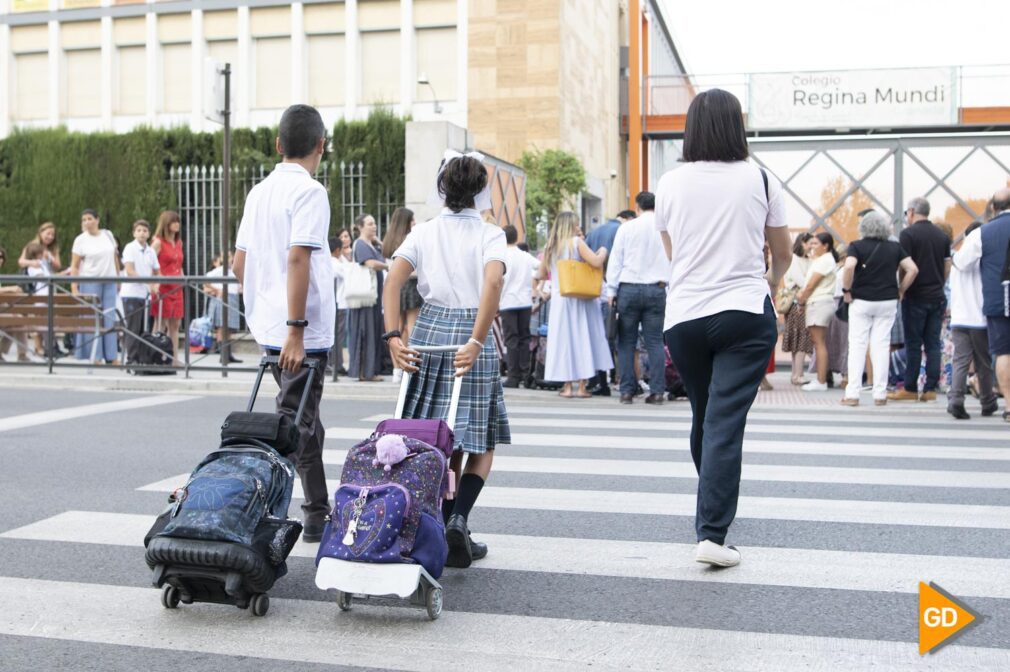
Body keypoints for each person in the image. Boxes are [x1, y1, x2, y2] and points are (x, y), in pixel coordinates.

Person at [654, 88, 791, 568]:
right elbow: (784, 252)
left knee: (705, 413)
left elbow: (674, 252)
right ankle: (712, 531)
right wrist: (767, 281)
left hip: (685, 316)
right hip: (744, 313)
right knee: (724, 421)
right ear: (737, 126)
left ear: (692, 127)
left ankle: (712, 503)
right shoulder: (761, 178)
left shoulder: (669, 183)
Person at [383, 150, 509, 568]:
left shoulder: (425, 231)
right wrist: (476, 338)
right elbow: (493, 280)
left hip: (430, 329)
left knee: (439, 431)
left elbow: (393, 278)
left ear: (442, 188)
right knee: (481, 438)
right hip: (472, 330)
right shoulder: (490, 234)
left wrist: (393, 335)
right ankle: (459, 519)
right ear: (480, 191)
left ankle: (440, 522)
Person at [233, 103, 335, 543]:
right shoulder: (310, 192)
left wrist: (269, 308)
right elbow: (298, 257)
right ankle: (253, 512)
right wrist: (295, 327)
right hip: (301, 333)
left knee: (303, 421)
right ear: (321, 146)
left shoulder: (259, 193)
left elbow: (241, 263)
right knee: (292, 428)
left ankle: (316, 511)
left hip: (271, 328)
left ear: (277, 145)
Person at [839, 211, 918, 406]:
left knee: (857, 345)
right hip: (888, 300)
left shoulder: (856, 246)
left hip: (861, 301)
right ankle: (880, 394)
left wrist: (846, 289)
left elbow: (849, 267)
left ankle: (853, 394)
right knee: (881, 345)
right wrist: (901, 289)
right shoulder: (895, 247)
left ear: (863, 228)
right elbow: (913, 269)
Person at [536, 211, 612, 398]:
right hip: (580, 297)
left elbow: (541, 273)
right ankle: (582, 387)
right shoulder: (576, 243)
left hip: (560, 299)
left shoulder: (550, 246)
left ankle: (567, 386)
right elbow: (595, 262)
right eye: (576, 224)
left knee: (564, 342)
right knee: (582, 338)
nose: (579, 226)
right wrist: (603, 251)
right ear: (570, 225)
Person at [606, 191, 669, 405]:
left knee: (626, 343)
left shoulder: (627, 227)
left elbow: (616, 260)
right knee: (655, 342)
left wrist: (611, 291)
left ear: (637, 207)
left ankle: (626, 391)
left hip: (629, 289)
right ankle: (658, 391)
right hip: (657, 289)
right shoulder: (665, 228)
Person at [952, 188, 1010, 421]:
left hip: (999, 299)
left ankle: (1008, 406)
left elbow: (962, 263)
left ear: (993, 208)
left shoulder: (981, 233)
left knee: (1003, 353)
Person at [890, 197, 951, 402]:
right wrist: (940, 283)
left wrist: (902, 288)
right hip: (937, 296)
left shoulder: (908, 235)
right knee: (933, 343)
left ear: (912, 212)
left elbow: (904, 267)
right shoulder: (941, 236)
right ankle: (930, 389)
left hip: (915, 296)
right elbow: (947, 265)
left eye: (907, 213)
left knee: (913, 343)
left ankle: (910, 388)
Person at [946, 221, 998, 419]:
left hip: (959, 318)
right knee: (983, 362)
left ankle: (955, 399)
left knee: (960, 360)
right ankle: (987, 401)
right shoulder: (982, 260)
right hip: (978, 317)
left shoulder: (957, 261)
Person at [587, 209, 636, 396]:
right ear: (628, 219)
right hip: (613, 289)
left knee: (598, 337)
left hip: (593, 289)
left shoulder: (595, 232)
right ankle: (622, 380)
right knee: (616, 337)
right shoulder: (623, 230)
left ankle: (597, 381)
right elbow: (618, 260)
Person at [69, 209, 121, 364]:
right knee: (92, 318)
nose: (87, 222)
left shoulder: (108, 235)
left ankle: (112, 356)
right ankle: (95, 355)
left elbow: (114, 257)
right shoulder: (80, 240)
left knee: (109, 317)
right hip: (90, 280)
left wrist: (118, 278)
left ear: (97, 220)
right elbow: (75, 266)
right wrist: (74, 288)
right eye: (84, 219)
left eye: (89, 219)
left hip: (109, 279)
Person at [381, 207, 422, 382]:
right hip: (411, 283)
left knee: (395, 329)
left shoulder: (388, 240)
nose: (414, 223)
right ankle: (411, 362)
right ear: (407, 222)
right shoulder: (410, 239)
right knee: (411, 326)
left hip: (395, 286)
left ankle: (396, 369)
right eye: (412, 220)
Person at [796, 233, 839, 391]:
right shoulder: (822, 260)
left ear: (825, 245)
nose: (812, 246)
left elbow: (810, 285)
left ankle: (821, 381)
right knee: (818, 342)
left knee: (819, 343)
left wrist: (800, 300)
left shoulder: (825, 260)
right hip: (818, 303)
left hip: (819, 303)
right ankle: (822, 379)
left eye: (815, 243)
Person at [347, 213, 388, 381]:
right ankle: (363, 371)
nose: (374, 226)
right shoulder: (360, 244)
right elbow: (370, 263)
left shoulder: (371, 245)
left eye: (374, 223)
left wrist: (378, 241)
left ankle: (370, 370)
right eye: (370, 223)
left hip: (373, 297)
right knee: (365, 332)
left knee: (373, 332)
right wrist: (387, 266)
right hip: (365, 297)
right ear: (360, 227)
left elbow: (387, 251)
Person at [499, 224, 540, 388]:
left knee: (511, 339)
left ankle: (513, 376)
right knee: (525, 338)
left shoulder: (501, 256)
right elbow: (540, 268)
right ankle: (526, 374)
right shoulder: (525, 256)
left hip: (507, 302)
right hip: (525, 302)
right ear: (516, 238)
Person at [120, 219, 161, 365]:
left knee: (145, 327)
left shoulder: (150, 251)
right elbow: (130, 270)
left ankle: (143, 357)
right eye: (139, 231)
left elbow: (157, 271)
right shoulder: (130, 248)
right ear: (134, 233)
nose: (142, 234)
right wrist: (147, 282)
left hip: (145, 295)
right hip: (131, 293)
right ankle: (132, 359)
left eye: (144, 231)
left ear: (149, 233)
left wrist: (156, 284)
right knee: (133, 327)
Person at [151, 210, 185, 365]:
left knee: (175, 324)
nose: (177, 224)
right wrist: (154, 282)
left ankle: (174, 358)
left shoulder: (178, 242)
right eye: (173, 221)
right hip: (163, 287)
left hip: (177, 286)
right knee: (160, 323)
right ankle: (153, 355)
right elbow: (150, 262)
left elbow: (179, 264)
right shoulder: (158, 242)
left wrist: (184, 279)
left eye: (178, 221)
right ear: (166, 224)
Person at [781, 233, 814, 384]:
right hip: (797, 304)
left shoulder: (808, 260)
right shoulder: (794, 260)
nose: (812, 246)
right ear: (802, 243)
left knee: (799, 339)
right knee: (801, 339)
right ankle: (798, 375)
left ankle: (796, 374)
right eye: (810, 243)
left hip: (801, 302)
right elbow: (802, 281)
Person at [203, 251, 242, 363]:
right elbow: (205, 279)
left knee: (229, 328)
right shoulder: (220, 270)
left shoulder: (233, 270)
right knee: (222, 327)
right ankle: (223, 354)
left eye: (230, 256)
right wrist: (217, 290)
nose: (229, 259)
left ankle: (228, 354)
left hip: (233, 298)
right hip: (223, 299)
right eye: (227, 256)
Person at [328, 229, 353, 376]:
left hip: (334, 304)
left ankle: (334, 363)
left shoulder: (328, 263)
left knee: (335, 335)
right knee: (338, 336)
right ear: (337, 250)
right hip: (341, 304)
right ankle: (337, 365)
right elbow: (349, 275)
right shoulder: (337, 264)